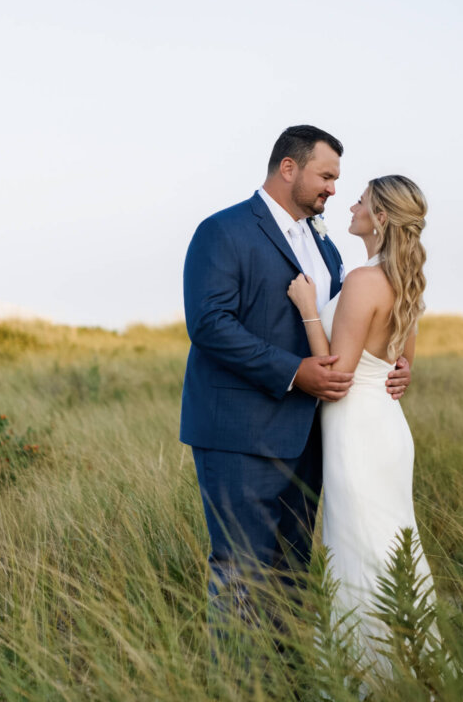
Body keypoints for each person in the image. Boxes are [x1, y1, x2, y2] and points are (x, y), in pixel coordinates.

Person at [179, 126, 411, 626]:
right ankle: (240, 684)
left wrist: (394, 360)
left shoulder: (326, 246)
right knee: (241, 568)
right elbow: (209, 325)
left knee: (293, 573)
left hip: (310, 440)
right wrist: (293, 372)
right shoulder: (223, 231)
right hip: (240, 434)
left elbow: (350, 322)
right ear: (289, 168)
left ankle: (286, 681)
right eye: (326, 175)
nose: (333, 189)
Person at [287, 174, 439, 682]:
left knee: (360, 551)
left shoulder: (364, 281)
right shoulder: (403, 280)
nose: (350, 204)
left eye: (362, 200)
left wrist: (309, 309)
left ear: (381, 218)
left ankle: (368, 679)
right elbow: (401, 366)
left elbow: (336, 373)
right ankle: (409, 670)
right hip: (387, 430)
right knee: (389, 547)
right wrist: (401, 371)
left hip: (358, 434)